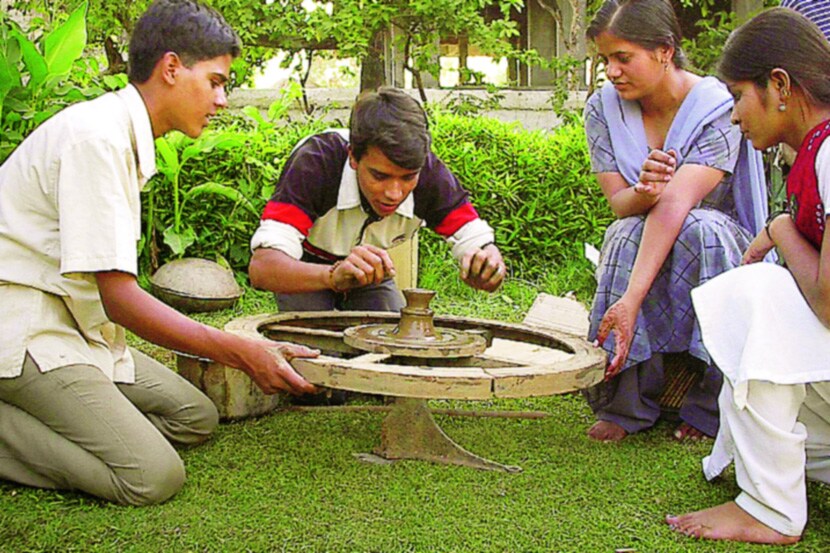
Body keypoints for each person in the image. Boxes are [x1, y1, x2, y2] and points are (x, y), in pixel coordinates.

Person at [0, 0, 318, 506]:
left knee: (195, 417)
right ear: (171, 68)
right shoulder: (96, 139)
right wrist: (240, 351)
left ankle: (63, 418)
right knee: (151, 476)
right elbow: (120, 301)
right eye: (215, 81)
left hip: (75, 328)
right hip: (24, 329)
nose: (222, 100)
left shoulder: (120, 137)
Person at [666, 8, 830, 544]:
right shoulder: (812, 151)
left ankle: (772, 510)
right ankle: (763, 477)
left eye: (737, 95)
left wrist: (781, 229)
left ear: (778, 85)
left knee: (754, 292)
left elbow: (829, 304)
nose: (734, 116)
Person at [581, 0, 768, 443]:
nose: (611, 71)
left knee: (701, 229)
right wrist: (643, 192)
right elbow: (620, 203)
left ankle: (712, 405)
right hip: (644, 226)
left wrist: (631, 298)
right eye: (604, 59)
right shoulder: (601, 109)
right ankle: (625, 400)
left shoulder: (717, 106)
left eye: (622, 58)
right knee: (623, 232)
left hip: (718, 232)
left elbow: (680, 201)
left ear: (665, 51)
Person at [248, 87, 505, 313]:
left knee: (393, 336)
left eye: (407, 178)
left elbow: (478, 242)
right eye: (379, 176)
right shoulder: (317, 163)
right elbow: (263, 268)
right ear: (353, 158)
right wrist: (333, 276)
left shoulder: (428, 173)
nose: (394, 192)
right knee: (313, 341)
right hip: (304, 267)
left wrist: (487, 264)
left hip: (371, 274)